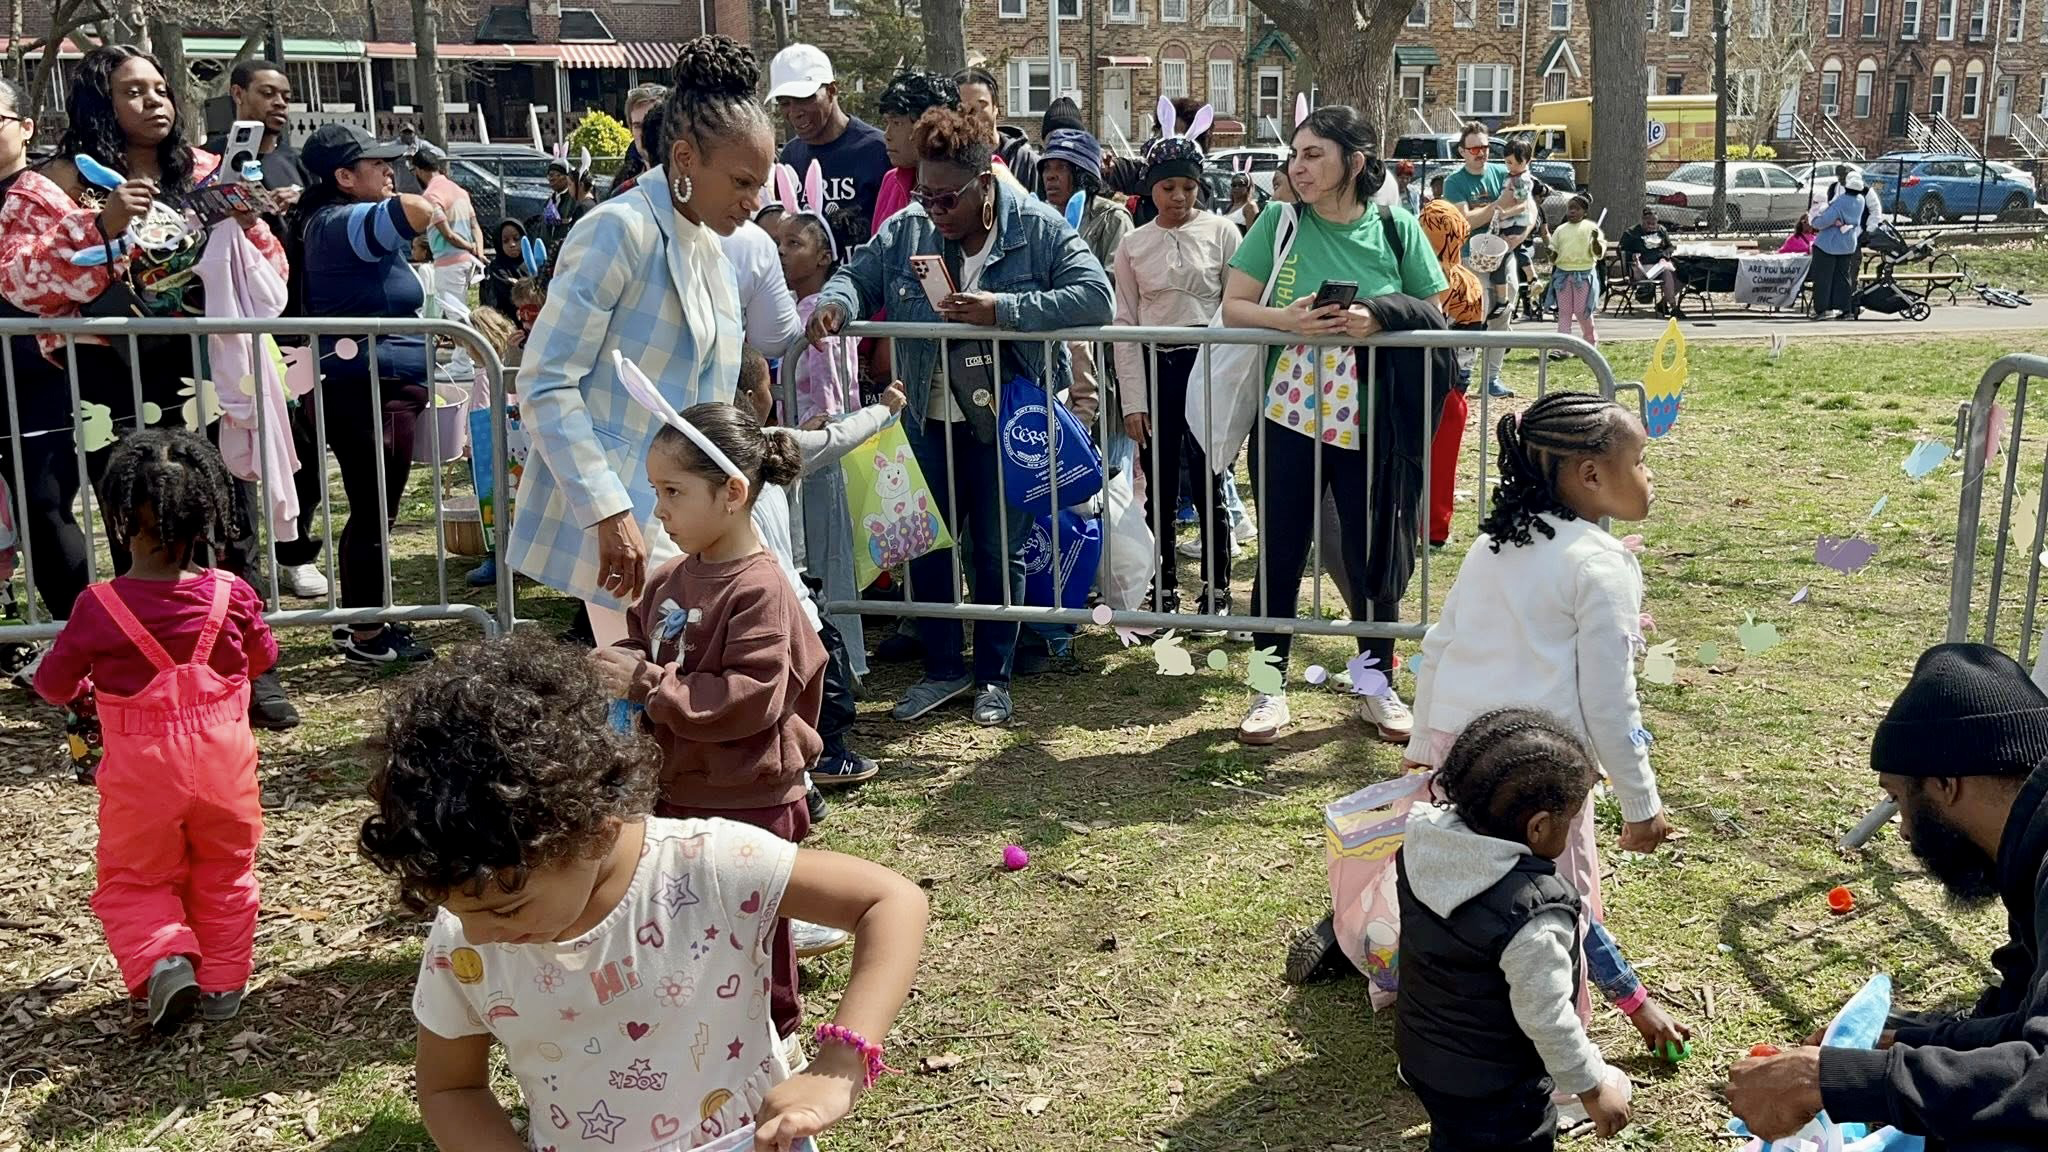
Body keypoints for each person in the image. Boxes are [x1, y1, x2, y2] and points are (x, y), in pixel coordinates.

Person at [362, 633, 929, 1152]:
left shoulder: (705, 864)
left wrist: (839, 1064)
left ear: (592, 830)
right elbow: (450, 1088)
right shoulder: (464, 934)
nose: (483, 935)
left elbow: (890, 901)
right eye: (459, 912)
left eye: (506, 909)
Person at [0, 44, 298, 727]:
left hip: (200, 367)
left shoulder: (199, 171)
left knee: (228, 513)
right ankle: (142, 670)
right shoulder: (52, 183)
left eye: (160, 88)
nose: (155, 101)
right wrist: (101, 224)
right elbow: (18, 279)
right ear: (99, 105)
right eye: (134, 92)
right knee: (142, 520)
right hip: (105, 374)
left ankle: (253, 670)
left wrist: (249, 223)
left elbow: (270, 269)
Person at [806, 105, 1114, 728]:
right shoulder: (909, 227)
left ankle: (994, 676)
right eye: (925, 193)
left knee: (999, 548)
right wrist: (835, 305)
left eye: (947, 198)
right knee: (927, 543)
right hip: (927, 414)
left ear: (985, 181)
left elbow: (1095, 295)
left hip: (1007, 419)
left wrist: (1004, 308)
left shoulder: (1038, 225)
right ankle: (943, 668)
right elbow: (856, 275)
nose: (934, 208)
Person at [1402, 392, 1685, 1049]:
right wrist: (1641, 805)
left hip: (1457, 750)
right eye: (1640, 461)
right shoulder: (1601, 565)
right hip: (1537, 771)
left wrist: (1423, 746)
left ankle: (1444, 1010)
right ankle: (1557, 1064)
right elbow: (1609, 700)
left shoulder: (1496, 543)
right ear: (1591, 474)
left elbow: (1440, 646)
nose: (1649, 476)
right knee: (1554, 905)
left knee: (1465, 890)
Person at [1727, 643, 2048, 1145]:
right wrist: (1905, 1044)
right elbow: (2024, 1022)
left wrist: (1831, 1081)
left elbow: (2040, 1089)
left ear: (1946, 785)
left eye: (1900, 798)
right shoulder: (2030, 845)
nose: (1900, 828)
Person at [508, 37, 766, 651]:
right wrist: (606, 508)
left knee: (670, 706)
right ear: (683, 158)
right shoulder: (615, 231)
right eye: (740, 180)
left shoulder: (712, 250)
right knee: (646, 703)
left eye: (760, 183)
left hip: (692, 519)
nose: (753, 202)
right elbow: (545, 380)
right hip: (623, 522)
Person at [585, 400, 826, 1050]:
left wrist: (647, 684)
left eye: (673, 492)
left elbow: (750, 700)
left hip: (749, 798)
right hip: (679, 790)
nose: (657, 508)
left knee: (752, 933)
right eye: (654, 490)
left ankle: (775, 1043)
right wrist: (620, 666)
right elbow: (646, 645)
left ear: (733, 493)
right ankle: (696, 1045)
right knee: (687, 927)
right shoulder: (669, 580)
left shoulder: (760, 591)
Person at [1220, 103, 1448, 747]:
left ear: (1357, 161)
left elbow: (1434, 314)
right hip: (1284, 418)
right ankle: (1268, 692)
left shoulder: (1397, 228)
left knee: (1370, 551)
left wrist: (1377, 315)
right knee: (1281, 551)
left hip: (1373, 422)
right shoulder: (1280, 221)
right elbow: (1233, 307)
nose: (1299, 166)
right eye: (1295, 154)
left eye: (1314, 154)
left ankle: (1375, 688)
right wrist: (1288, 321)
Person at [33, 430, 274, 1033]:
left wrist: (89, 689)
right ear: (207, 516)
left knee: (136, 874)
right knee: (226, 869)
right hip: (226, 762)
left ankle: (166, 956)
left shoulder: (98, 606)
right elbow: (261, 660)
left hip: (142, 768)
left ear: (118, 517)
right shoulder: (232, 594)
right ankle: (222, 985)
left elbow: (54, 685)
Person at [1398, 709, 1636, 1151]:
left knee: (1455, 1136)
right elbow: (1547, 1018)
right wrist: (1592, 1086)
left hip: (1426, 1054)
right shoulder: (1532, 914)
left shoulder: (1423, 846)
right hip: (1498, 1085)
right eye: (1573, 817)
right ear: (1539, 826)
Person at [289, 122, 446, 665]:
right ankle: (368, 635)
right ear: (343, 177)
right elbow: (413, 213)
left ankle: (360, 619)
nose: (390, 171)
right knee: (374, 509)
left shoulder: (333, 218)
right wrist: (432, 207)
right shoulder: (338, 222)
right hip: (366, 387)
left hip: (376, 384)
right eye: (377, 163)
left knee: (373, 508)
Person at [1113, 133, 1240, 617]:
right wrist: (1133, 401)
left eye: (1189, 186)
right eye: (1168, 187)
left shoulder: (1224, 233)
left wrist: (1229, 385)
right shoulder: (1133, 244)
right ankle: (1161, 584)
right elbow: (1125, 322)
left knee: (1212, 478)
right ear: (1151, 190)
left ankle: (1218, 589)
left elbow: (1234, 308)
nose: (1179, 197)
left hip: (1206, 364)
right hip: (1155, 365)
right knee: (1159, 482)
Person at [0, 79, 91, 631]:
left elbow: (63, 277)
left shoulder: (35, 196)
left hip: (39, 380)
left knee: (44, 510)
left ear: (26, 127)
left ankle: (87, 646)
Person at [768, 44, 889, 253]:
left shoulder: (878, 150)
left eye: (804, 98)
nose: (794, 112)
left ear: (832, 90)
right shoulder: (790, 156)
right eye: (784, 103)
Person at [1418, 197, 1486, 551]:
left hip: (1415, 382)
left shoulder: (1416, 276)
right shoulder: (1471, 282)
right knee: (1442, 466)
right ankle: (1434, 531)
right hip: (1454, 387)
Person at [1441, 122, 1525, 399]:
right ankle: (1461, 376)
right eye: (1475, 148)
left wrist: (1521, 234)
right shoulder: (1455, 182)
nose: (1482, 153)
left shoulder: (1505, 171)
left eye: (1486, 147)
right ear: (1462, 151)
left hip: (1505, 254)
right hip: (1471, 259)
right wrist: (1498, 206)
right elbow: (1464, 219)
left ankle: (1491, 379)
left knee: (1504, 311)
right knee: (1473, 315)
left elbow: (1529, 204)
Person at [873, 69, 958, 236]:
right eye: (887, 123)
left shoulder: (982, 175)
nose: (887, 135)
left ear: (929, 126)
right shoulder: (891, 181)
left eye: (897, 123)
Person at [410, 145, 485, 325]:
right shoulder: (459, 190)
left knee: (457, 315)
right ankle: (465, 352)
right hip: (467, 262)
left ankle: (472, 350)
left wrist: (470, 247)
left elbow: (448, 235)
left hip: (449, 262)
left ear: (419, 171)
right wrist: (479, 251)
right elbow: (475, 226)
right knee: (460, 310)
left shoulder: (430, 196)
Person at [955, 67, 1039, 191]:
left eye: (980, 106)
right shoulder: (944, 161)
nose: (970, 116)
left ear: (996, 107)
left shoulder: (1025, 161)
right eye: (961, 109)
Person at [1809, 173, 1866, 321]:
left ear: (1846, 187)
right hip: (1848, 244)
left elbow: (1824, 221)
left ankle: (1822, 309)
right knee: (1843, 277)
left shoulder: (1841, 201)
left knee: (1824, 278)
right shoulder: (1861, 200)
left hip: (1828, 245)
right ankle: (1845, 309)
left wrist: (1815, 221)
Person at [1548, 194, 1603, 348]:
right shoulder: (1560, 229)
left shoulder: (1591, 229)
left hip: (1583, 276)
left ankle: (1590, 343)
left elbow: (1598, 253)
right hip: (1563, 276)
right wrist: (1551, 253)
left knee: (1581, 311)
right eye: (1570, 208)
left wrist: (1596, 241)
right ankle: (1563, 347)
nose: (1572, 212)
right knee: (1564, 312)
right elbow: (1554, 253)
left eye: (1576, 209)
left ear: (1584, 212)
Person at [606, 83, 668, 198]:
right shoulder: (623, 194)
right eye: (637, 126)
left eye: (652, 123)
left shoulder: (694, 187)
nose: (645, 133)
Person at [1619, 208, 1681, 317]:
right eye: (1648, 223)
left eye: (1654, 223)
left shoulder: (1661, 230)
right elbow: (1621, 250)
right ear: (1642, 220)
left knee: (1671, 274)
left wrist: (1664, 256)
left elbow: (1670, 247)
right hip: (1640, 267)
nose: (1651, 226)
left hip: (1658, 266)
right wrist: (1632, 255)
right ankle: (1656, 299)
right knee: (1667, 274)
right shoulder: (1632, 233)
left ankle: (1673, 307)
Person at [479, 218, 528, 315]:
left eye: (516, 239)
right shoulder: (496, 268)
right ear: (499, 244)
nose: (512, 244)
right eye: (506, 241)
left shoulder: (530, 263)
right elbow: (511, 293)